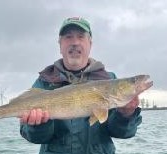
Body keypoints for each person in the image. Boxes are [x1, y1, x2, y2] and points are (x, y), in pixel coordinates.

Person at [19, 17, 142, 154]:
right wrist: (38, 125)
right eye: (68, 37)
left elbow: (122, 133)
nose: (75, 42)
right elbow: (33, 136)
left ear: (90, 43)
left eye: (81, 37)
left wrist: (125, 115)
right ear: (60, 45)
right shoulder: (44, 81)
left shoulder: (109, 79)